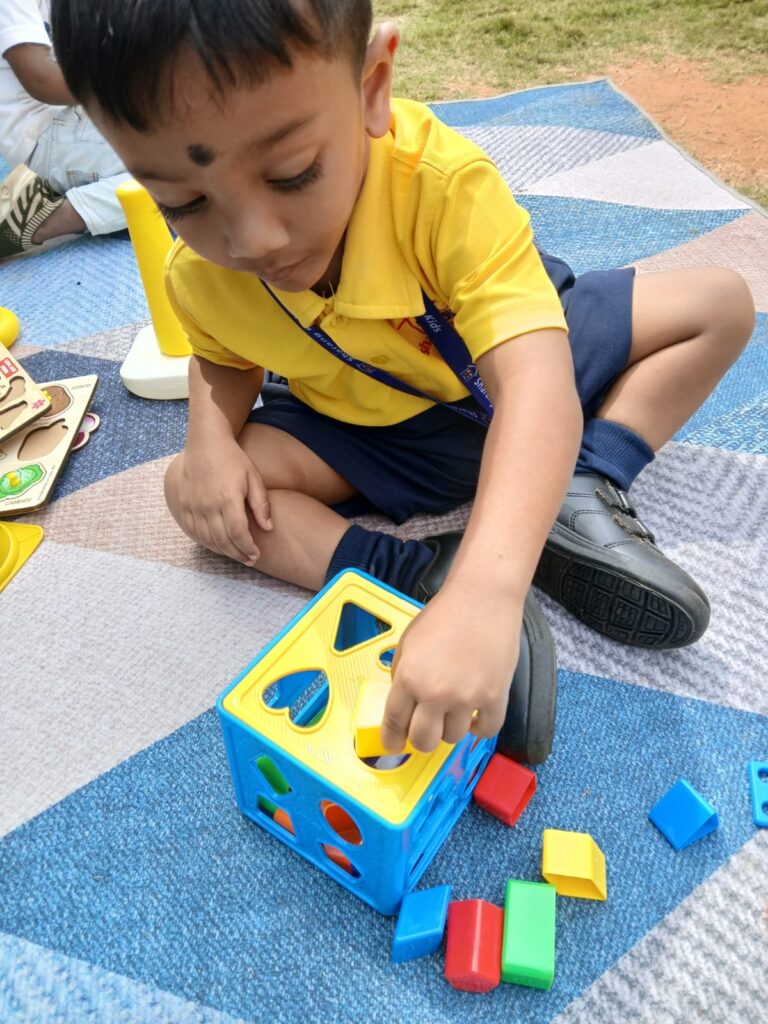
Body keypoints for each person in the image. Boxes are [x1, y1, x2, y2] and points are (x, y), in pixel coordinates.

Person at [50, 0, 754, 761]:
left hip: (524, 367)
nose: (253, 240)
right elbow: (223, 358)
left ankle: (580, 479)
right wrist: (210, 439)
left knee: (720, 304)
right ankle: (418, 573)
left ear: (372, 86)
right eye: (182, 201)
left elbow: (535, 380)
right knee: (201, 494)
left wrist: (491, 592)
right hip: (380, 433)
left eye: (292, 173)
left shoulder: (440, 185)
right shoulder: (200, 276)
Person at [0, 0, 129, 260]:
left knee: (200, 157)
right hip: (44, 132)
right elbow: (42, 81)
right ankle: (50, 220)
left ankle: (89, 204)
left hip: (83, 112)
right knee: (185, 168)